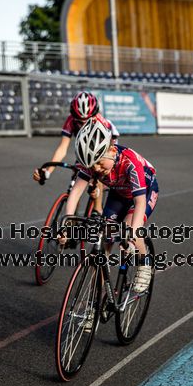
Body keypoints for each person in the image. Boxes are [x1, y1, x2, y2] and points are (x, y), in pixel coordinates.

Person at [59, 119, 159, 294]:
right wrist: (67, 225)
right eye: (92, 166)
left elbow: (140, 202)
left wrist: (131, 236)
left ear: (112, 150)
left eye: (99, 162)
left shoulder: (130, 163)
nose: (97, 169)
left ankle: (145, 263)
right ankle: (101, 295)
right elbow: (75, 193)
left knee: (130, 230)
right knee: (106, 236)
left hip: (144, 193)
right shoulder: (92, 163)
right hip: (118, 194)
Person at [33, 91, 119, 214]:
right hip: (85, 150)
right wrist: (48, 172)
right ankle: (71, 217)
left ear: (95, 115)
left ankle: (97, 210)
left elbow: (105, 155)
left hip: (104, 148)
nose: (83, 124)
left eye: (87, 121)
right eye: (80, 121)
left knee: (97, 171)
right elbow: (62, 149)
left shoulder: (102, 123)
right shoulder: (71, 120)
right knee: (76, 181)